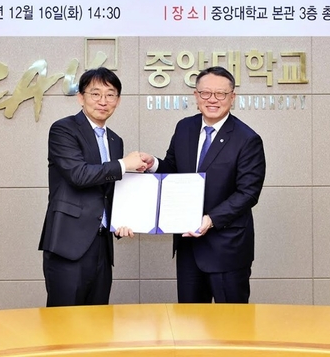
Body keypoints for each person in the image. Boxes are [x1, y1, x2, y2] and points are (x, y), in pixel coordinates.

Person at [141, 66, 266, 303]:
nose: (212, 99)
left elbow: (248, 192)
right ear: (196, 96)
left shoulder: (247, 139)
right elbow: (174, 169)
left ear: (232, 97)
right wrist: (154, 164)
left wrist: (210, 219)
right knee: (190, 319)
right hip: (189, 246)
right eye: (206, 93)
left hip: (227, 249)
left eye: (220, 94)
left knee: (231, 320)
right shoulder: (184, 127)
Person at [39, 67, 147, 307]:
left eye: (110, 95)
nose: (103, 101)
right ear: (81, 97)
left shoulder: (115, 140)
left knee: (98, 319)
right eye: (95, 94)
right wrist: (124, 164)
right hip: (68, 244)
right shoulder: (63, 129)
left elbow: (108, 189)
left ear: (118, 101)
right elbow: (78, 175)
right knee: (63, 320)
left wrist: (121, 220)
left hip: (102, 245)